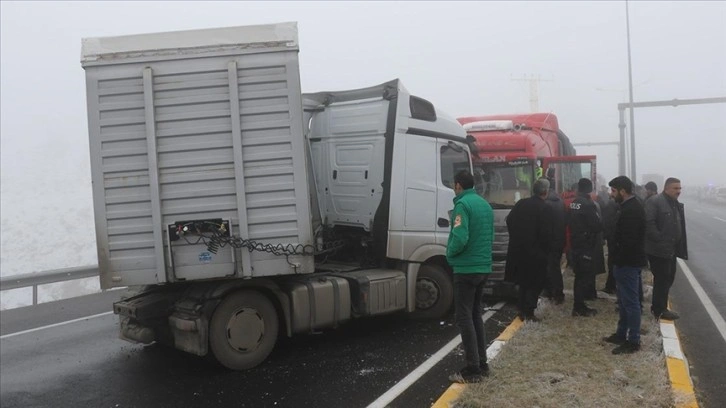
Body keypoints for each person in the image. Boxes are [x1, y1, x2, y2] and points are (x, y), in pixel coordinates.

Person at [446, 171, 494, 383]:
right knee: (476, 315)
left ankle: (472, 368)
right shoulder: (485, 205)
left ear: (458, 185)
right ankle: (482, 363)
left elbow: (460, 236)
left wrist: (449, 253)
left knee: (464, 317)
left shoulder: (462, 205)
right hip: (483, 267)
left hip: (465, 269)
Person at [604, 176, 648, 354]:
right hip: (625, 262)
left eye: (613, 191)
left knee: (630, 303)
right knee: (623, 301)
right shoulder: (628, 206)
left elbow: (628, 241)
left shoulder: (632, 210)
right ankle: (621, 333)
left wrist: (618, 259)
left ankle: (633, 340)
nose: (611, 194)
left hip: (628, 263)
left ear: (623, 191)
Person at [505, 178, 553, 322]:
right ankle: (529, 311)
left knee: (523, 281)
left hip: (519, 250)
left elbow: (509, 220)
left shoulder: (521, 204)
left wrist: (515, 237)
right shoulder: (545, 208)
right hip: (536, 253)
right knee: (535, 282)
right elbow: (547, 233)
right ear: (546, 191)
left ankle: (521, 308)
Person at [645, 177, 688, 320]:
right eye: (675, 188)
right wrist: (659, 239)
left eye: (680, 188)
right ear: (666, 188)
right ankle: (659, 309)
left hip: (671, 249)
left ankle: (660, 306)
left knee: (669, 278)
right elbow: (649, 223)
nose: (678, 191)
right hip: (658, 250)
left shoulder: (675, 204)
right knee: (662, 279)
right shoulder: (655, 201)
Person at [567, 178, 602, 317]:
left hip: (575, 242)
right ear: (589, 189)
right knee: (583, 277)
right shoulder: (588, 204)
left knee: (579, 276)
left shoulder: (574, 203)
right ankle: (579, 306)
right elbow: (597, 225)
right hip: (586, 244)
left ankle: (578, 305)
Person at [543, 169, 566, 304]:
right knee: (555, 267)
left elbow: (544, 225)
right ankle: (556, 292)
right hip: (559, 239)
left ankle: (554, 293)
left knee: (550, 268)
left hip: (549, 241)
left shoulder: (546, 203)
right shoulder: (560, 201)